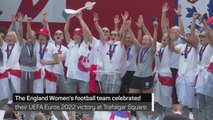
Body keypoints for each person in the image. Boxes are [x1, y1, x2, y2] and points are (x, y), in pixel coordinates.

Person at [168, 12, 200, 120]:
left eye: (190, 35)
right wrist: (172, 39)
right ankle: (185, 118)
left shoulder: (197, 47)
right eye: (187, 35)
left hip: (191, 78)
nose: (188, 36)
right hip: (181, 78)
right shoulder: (181, 46)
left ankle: (196, 118)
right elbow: (172, 49)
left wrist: (194, 20)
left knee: (195, 103)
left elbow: (193, 41)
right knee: (182, 102)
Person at [64, 12, 93, 93]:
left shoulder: (85, 44)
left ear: (82, 36)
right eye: (75, 34)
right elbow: (66, 31)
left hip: (83, 77)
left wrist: (80, 19)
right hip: (71, 76)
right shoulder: (71, 44)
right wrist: (68, 19)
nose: (76, 36)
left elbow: (86, 31)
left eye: (78, 34)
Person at [42, 12, 68, 93]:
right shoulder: (51, 44)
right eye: (56, 34)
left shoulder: (66, 49)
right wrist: (46, 22)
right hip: (51, 72)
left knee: (65, 92)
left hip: (60, 73)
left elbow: (66, 61)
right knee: (50, 92)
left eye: (60, 34)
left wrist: (61, 58)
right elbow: (48, 32)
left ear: (63, 37)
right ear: (53, 37)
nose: (58, 35)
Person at [196, 14, 213, 120]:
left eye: (203, 36)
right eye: (200, 36)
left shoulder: (211, 46)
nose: (201, 38)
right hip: (202, 76)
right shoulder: (201, 46)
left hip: (210, 77)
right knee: (201, 105)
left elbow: (211, 35)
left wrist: (204, 23)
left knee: (209, 104)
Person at [33, 26, 59, 93]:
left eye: (42, 35)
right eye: (39, 35)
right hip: (39, 70)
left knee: (50, 90)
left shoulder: (52, 46)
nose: (40, 37)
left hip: (49, 71)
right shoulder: (36, 44)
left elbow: (57, 61)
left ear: (46, 37)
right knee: (37, 90)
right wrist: (28, 23)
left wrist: (46, 62)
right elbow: (30, 34)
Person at [18, 13, 37, 93]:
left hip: (34, 70)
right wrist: (21, 23)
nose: (29, 35)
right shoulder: (22, 43)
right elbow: (20, 34)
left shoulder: (37, 44)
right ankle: (22, 105)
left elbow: (31, 35)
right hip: (23, 69)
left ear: (35, 37)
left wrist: (28, 24)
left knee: (34, 90)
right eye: (27, 34)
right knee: (23, 90)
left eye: (31, 34)